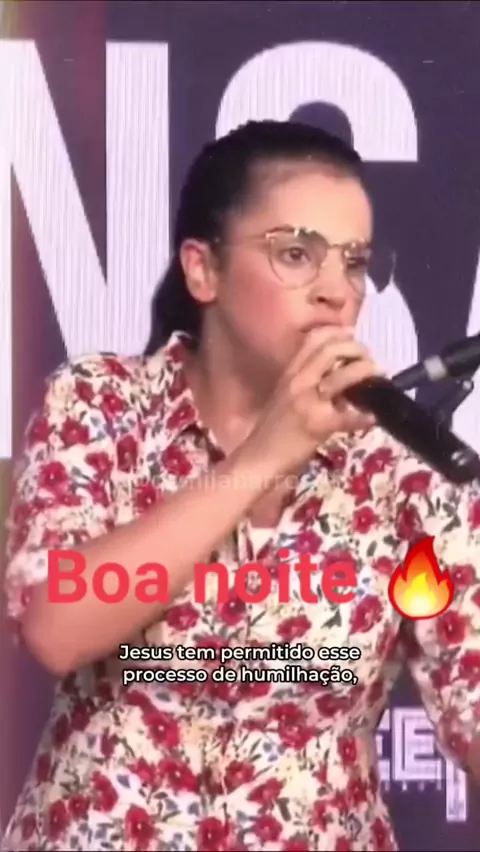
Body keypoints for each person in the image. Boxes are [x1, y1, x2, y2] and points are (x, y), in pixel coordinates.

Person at [2, 119, 480, 852]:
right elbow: (56, 626)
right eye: (296, 254)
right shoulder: (101, 403)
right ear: (203, 271)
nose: (336, 292)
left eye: (354, 263)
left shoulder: (402, 466)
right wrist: (268, 453)